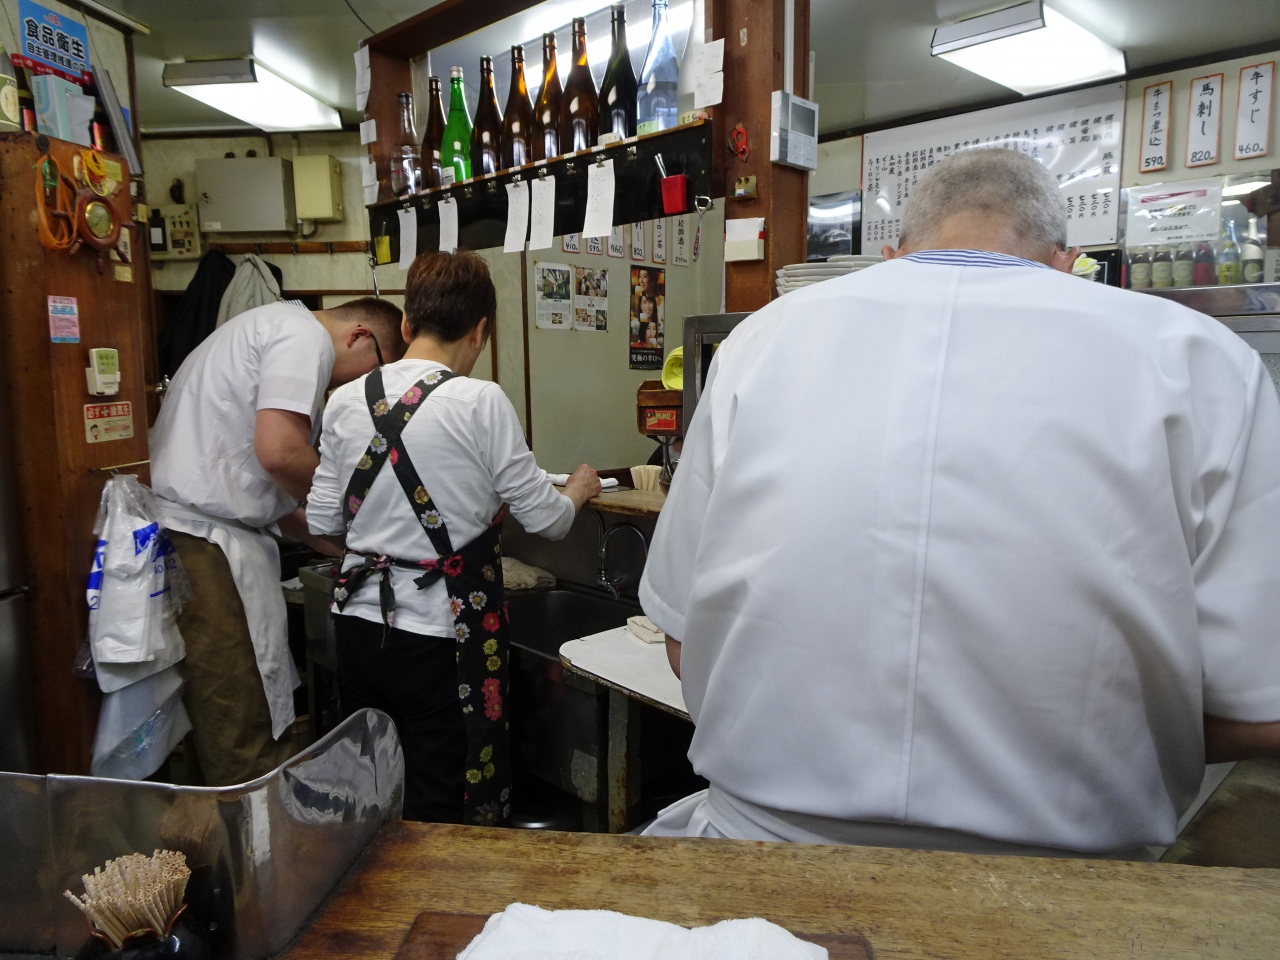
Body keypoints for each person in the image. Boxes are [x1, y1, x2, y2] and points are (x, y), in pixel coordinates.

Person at [639, 148, 1280, 857]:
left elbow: (682, 643)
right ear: (1067, 262)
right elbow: (1258, 709)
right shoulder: (1200, 357)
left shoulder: (759, 340)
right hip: (1073, 884)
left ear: (892, 255)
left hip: (758, 856)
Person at [307, 251, 601, 825]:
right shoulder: (480, 401)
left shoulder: (345, 399)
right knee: (440, 797)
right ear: (480, 331)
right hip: (441, 639)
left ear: (407, 324)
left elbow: (322, 521)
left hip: (359, 626)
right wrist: (578, 491)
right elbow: (548, 521)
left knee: (371, 784)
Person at [150, 296, 407, 786]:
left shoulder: (272, 327)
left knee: (217, 718)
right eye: (377, 370)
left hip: (201, 535)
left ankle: (221, 832)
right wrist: (360, 505)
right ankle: (260, 833)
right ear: (360, 336)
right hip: (206, 547)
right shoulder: (303, 337)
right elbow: (280, 454)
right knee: (241, 721)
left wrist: (343, 542)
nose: (368, 385)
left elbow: (267, 490)